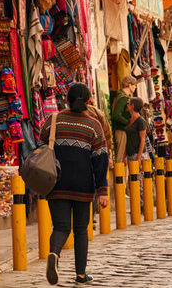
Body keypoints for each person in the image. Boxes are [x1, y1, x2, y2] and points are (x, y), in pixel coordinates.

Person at [41, 82, 108, 286]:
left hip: (56, 183)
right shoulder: (94, 125)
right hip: (83, 186)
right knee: (81, 229)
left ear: (66, 100)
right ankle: (80, 275)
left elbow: (41, 149)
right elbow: (100, 159)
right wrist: (102, 190)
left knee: (61, 226)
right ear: (88, 102)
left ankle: (54, 254)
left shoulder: (52, 121)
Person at [111, 76, 138, 164]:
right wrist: (128, 123)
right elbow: (117, 115)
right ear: (129, 85)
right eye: (134, 85)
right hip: (121, 131)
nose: (135, 87)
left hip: (124, 131)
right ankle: (119, 177)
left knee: (124, 160)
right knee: (120, 159)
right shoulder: (122, 98)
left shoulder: (126, 97)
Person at [124, 97, 148, 194]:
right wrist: (124, 156)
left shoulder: (140, 121)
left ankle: (142, 206)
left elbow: (142, 140)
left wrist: (138, 158)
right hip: (130, 154)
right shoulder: (129, 121)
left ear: (132, 106)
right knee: (133, 181)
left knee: (140, 182)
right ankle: (137, 205)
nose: (127, 105)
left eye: (128, 103)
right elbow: (128, 140)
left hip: (138, 154)